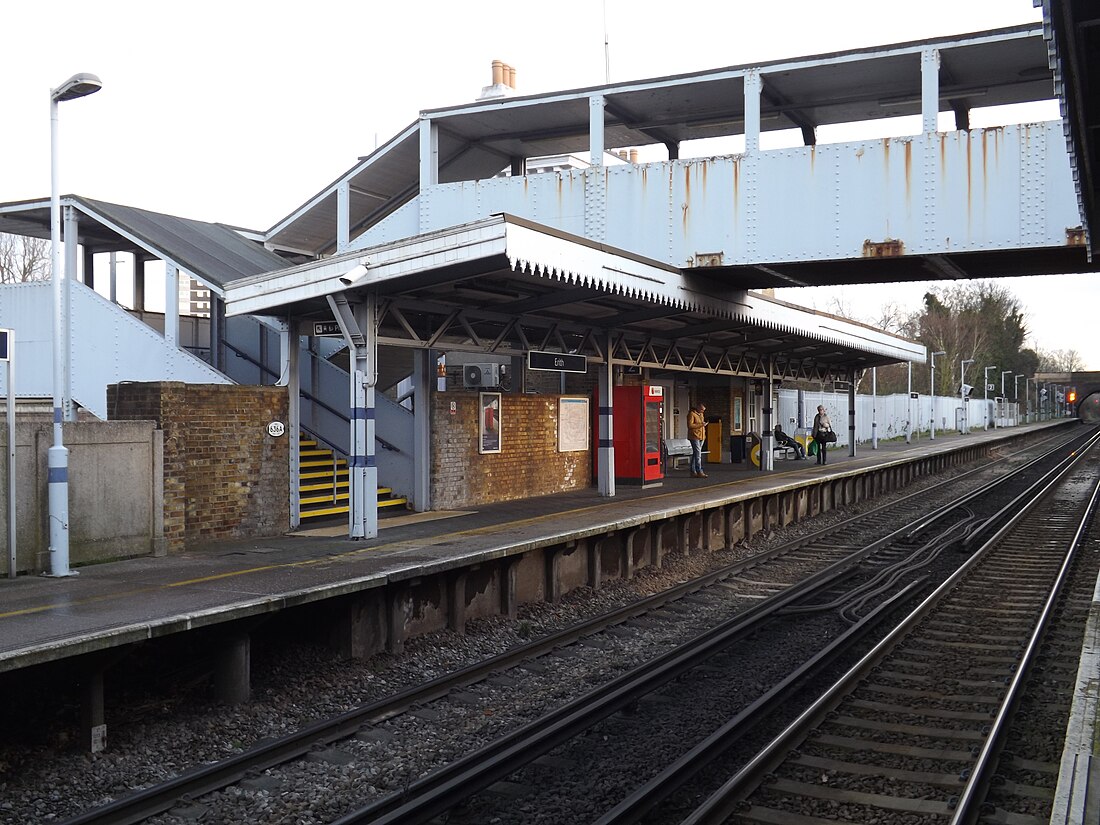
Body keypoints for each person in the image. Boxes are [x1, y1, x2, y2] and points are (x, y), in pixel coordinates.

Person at [687, 402, 707, 478]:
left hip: (701, 436)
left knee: (696, 454)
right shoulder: (691, 414)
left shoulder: (701, 414)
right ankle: (699, 471)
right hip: (694, 436)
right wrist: (701, 425)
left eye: (704, 410)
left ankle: (693, 471)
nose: (703, 411)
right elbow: (690, 425)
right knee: (698, 455)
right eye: (702, 410)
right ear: (698, 408)